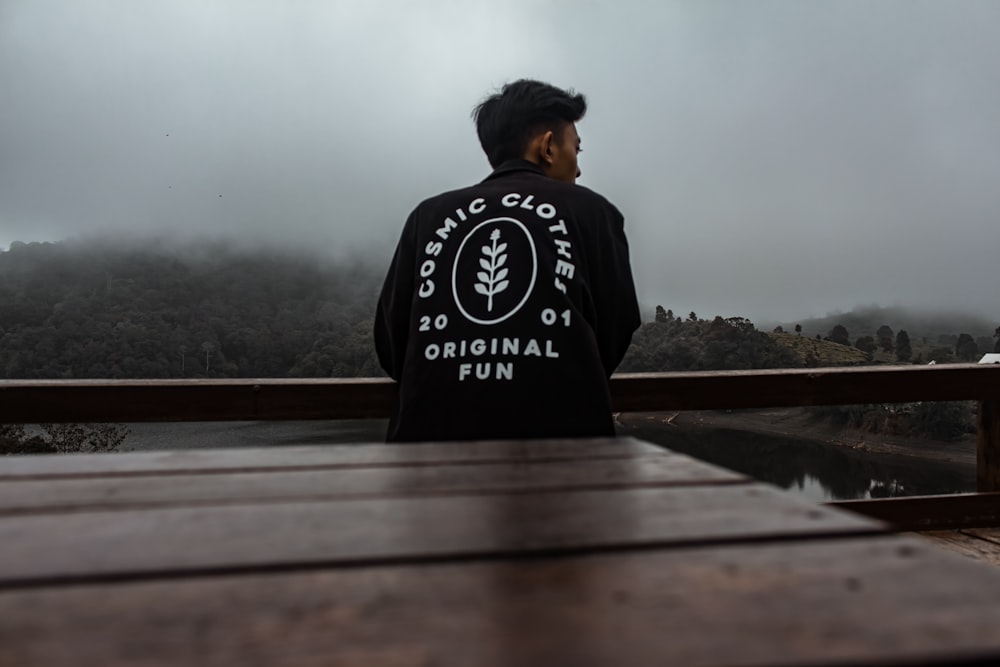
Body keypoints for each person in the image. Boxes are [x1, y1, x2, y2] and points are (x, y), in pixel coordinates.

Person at [374, 79, 640, 442]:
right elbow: (616, 327)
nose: (577, 169)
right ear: (547, 147)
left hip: (427, 459)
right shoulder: (593, 213)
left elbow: (392, 345)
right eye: (575, 150)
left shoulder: (427, 216)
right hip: (565, 454)